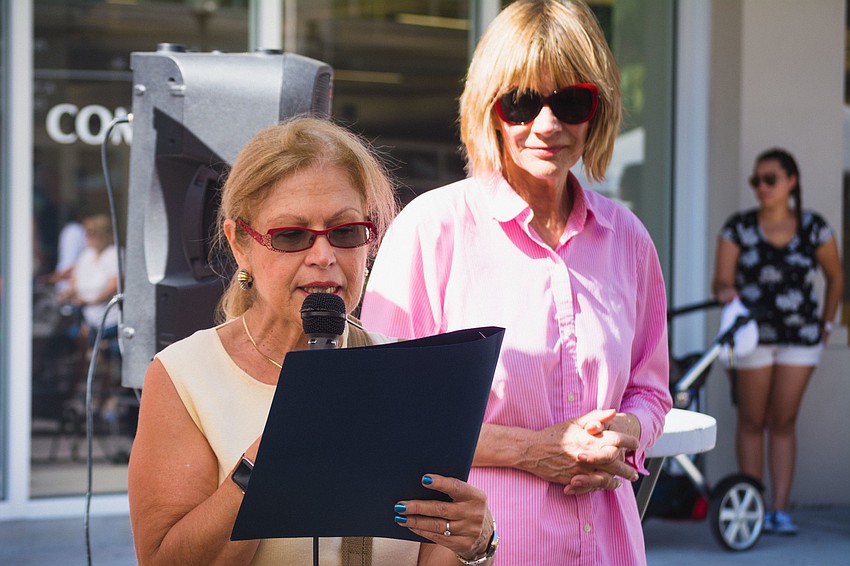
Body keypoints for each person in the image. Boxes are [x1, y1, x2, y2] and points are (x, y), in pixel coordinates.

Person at [360, 1, 672, 564]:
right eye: (523, 103)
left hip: (608, 547)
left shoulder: (628, 240)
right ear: (490, 109)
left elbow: (651, 390)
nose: (548, 126)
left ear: (597, 110)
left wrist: (629, 428)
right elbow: (385, 414)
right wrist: (536, 451)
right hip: (475, 554)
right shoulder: (433, 232)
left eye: (572, 101)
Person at [128, 117, 498, 566]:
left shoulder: (415, 375)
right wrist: (262, 466)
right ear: (241, 243)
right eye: (292, 236)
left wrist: (474, 546)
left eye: (344, 233)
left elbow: (430, 552)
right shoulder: (184, 376)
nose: (323, 257)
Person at [711, 147, 843, 535]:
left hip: (800, 337)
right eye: (757, 180)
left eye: (770, 179)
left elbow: (837, 277)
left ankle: (779, 511)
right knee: (752, 421)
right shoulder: (738, 227)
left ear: (791, 181)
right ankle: (752, 507)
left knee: (783, 422)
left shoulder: (814, 227)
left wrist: (827, 324)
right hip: (751, 337)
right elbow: (720, 280)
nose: (762, 188)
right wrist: (725, 291)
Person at [57, 213, 120, 344]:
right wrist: (64, 295)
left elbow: (114, 286)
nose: (88, 237)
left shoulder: (114, 254)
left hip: (109, 322)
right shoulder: (86, 255)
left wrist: (89, 301)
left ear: (103, 234)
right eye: (87, 233)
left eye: (92, 233)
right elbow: (74, 282)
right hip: (88, 320)